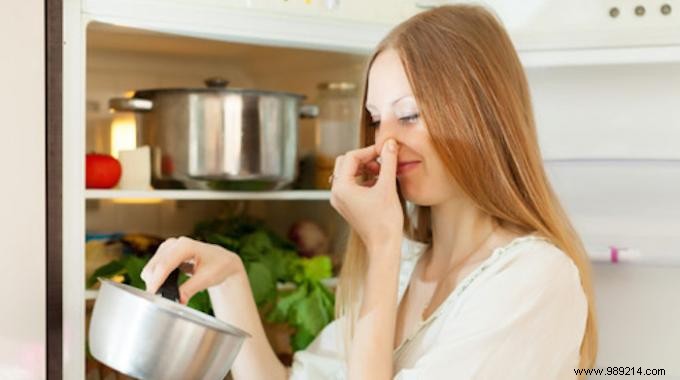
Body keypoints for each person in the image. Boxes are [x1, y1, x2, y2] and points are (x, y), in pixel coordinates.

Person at [141, 4, 598, 379]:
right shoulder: (405, 268)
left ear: (482, 115)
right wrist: (230, 281)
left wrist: (381, 246)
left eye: (411, 114)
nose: (385, 143)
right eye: (377, 118)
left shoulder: (534, 278)